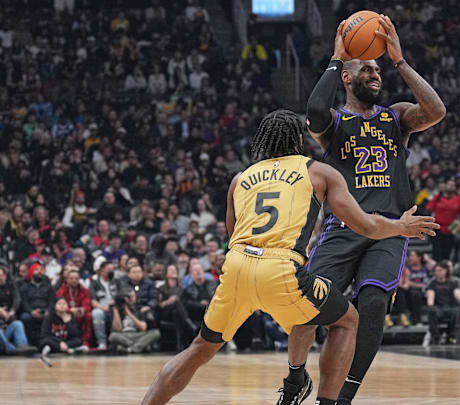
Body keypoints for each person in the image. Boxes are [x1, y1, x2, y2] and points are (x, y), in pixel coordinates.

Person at [141, 110, 438, 405]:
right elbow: (366, 225)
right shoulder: (318, 171)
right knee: (347, 320)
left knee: (199, 349)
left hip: (237, 268)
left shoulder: (240, 178)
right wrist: (401, 226)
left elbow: (233, 235)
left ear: (262, 142)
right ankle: (324, 399)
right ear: (298, 139)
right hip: (281, 269)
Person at [293, 15, 446, 405]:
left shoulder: (396, 117)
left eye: (377, 69)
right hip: (343, 229)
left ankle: (341, 397)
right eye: (367, 68)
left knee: (374, 303)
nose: (374, 73)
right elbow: (313, 109)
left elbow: (436, 111)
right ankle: (297, 377)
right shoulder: (334, 123)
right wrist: (337, 57)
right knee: (309, 306)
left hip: (392, 229)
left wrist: (399, 61)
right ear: (347, 77)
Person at [108, 289, 161, 353]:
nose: (130, 299)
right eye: (128, 297)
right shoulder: (117, 310)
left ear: (136, 297)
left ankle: (128, 348)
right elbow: (118, 328)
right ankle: (138, 347)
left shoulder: (139, 309)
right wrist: (115, 309)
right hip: (123, 335)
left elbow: (143, 327)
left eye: (132, 296)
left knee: (155, 333)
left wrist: (129, 313)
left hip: (138, 335)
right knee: (113, 336)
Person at [425, 261, 460, 345]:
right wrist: (430, 305)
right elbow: (430, 296)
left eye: (439, 270)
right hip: (438, 308)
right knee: (431, 311)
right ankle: (436, 336)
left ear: (445, 271)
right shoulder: (433, 283)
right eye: (436, 271)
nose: (437, 272)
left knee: (457, 312)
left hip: (450, 308)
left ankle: (451, 335)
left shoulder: (452, 283)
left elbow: (458, 294)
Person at [39, 297, 86, 366]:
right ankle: (69, 350)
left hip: (66, 342)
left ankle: (58, 349)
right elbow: (45, 335)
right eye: (59, 304)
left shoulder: (71, 317)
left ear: (67, 306)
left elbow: (75, 335)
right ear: (55, 306)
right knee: (44, 341)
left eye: (64, 304)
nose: (62, 305)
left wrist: (67, 321)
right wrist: (60, 343)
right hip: (55, 341)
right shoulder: (49, 318)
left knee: (78, 341)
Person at [0, 265, 36, 354]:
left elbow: (17, 299)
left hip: (6, 326)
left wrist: (12, 311)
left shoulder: (11, 285)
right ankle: (11, 349)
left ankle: (22, 346)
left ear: (5, 275)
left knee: (17, 324)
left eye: (0, 275)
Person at [56, 269, 92, 348]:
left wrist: (80, 310)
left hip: (79, 313)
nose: (74, 281)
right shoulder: (62, 290)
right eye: (71, 278)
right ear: (67, 280)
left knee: (88, 315)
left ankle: (85, 342)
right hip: (66, 312)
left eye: (76, 278)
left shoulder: (84, 290)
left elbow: (87, 305)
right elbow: (59, 303)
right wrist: (69, 310)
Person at [90, 261, 119, 350]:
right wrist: (103, 308)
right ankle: (102, 342)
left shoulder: (117, 281)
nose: (111, 272)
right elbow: (93, 301)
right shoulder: (94, 283)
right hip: (101, 307)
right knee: (97, 313)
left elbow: (122, 295)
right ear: (101, 271)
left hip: (116, 307)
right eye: (108, 270)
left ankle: (116, 342)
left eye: (112, 270)